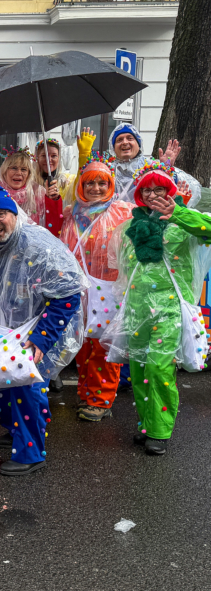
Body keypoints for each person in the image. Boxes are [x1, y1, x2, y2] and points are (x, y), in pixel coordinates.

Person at [0, 185, 86, 476]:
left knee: (26, 390)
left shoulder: (40, 245)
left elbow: (68, 294)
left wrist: (42, 338)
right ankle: (16, 431)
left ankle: (31, 452)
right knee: (0, 388)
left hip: (31, 331)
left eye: (1, 214)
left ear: (14, 215)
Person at [102, 162, 211, 455]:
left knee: (158, 367)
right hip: (138, 309)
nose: (152, 194)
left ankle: (161, 431)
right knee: (138, 369)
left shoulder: (184, 221)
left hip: (170, 307)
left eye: (158, 188)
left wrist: (179, 212)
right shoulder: (131, 226)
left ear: (169, 191)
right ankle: (147, 424)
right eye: (146, 189)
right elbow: (123, 269)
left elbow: (209, 230)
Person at [57, 153, 133, 421]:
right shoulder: (72, 214)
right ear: (82, 186)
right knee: (83, 344)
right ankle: (86, 392)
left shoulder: (123, 211)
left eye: (102, 183)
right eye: (90, 183)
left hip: (108, 288)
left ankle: (101, 400)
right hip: (80, 287)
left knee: (102, 344)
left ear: (111, 184)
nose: (96, 188)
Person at [109, 123, 200, 207]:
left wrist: (166, 170)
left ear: (138, 144)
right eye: (119, 140)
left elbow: (191, 189)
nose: (125, 142)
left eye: (130, 138)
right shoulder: (108, 170)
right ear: (113, 148)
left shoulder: (152, 167)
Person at [0, 146, 63, 235]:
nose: (19, 173)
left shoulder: (37, 193)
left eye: (23, 169)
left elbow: (53, 227)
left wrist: (52, 200)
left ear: (29, 174)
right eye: (14, 168)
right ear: (5, 171)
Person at [34, 137, 75, 202]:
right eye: (44, 156)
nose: (48, 160)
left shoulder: (68, 181)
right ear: (37, 157)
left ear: (59, 158)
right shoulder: (30, 182)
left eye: (54, 156)